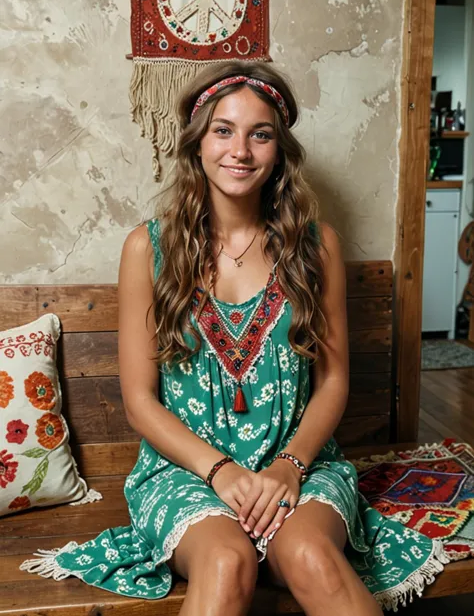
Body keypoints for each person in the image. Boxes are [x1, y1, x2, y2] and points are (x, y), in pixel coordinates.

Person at [20, 59, 448, 614]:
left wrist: (288, 467)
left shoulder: (317, 247)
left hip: (299, 464)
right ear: (198, 142)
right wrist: (221, 473)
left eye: (260, 134)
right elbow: (140, 402)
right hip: (185, 471)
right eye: (223, 130)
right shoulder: (147, 249)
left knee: (312, 555)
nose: (240, 151)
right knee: (227, 561)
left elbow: (334, 380)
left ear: (279, 151)